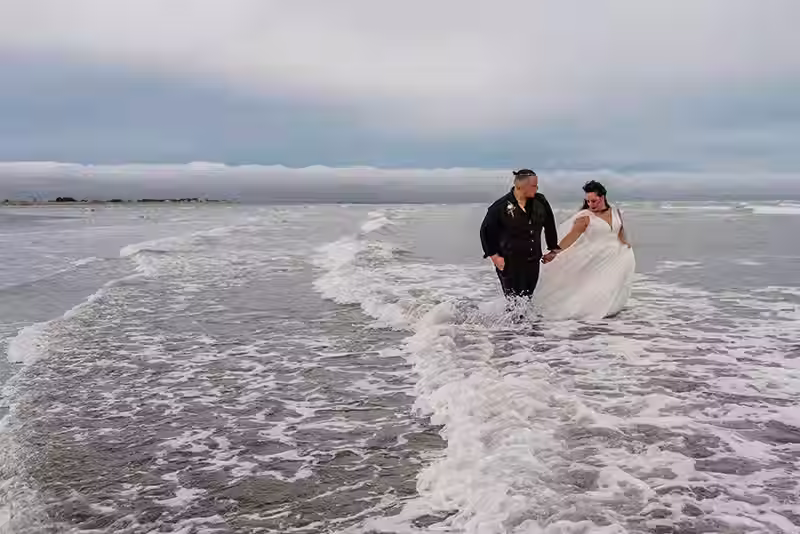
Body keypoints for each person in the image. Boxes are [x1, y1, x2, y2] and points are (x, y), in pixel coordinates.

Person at [534, 180, 635, 320]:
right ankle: (587, 312)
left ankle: (610, 309)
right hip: (595, 257)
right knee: (593, 287)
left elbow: (619, 230)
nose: (591, 205)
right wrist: (554, 253)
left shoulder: (616, 212)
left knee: (611, 285)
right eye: (588, 201)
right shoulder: (585, 217)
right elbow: (571, 237)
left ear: (603, 197)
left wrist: (624, 242)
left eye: (594, 201)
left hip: (615, 256)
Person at [479, 169, 561, 298]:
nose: (536, 188)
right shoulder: (499, 206)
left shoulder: (541, 202)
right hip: (509, 261)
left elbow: (549, 224)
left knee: (527, 299)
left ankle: (523, 319)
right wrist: (495, 257)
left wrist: (553, 249)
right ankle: (505, 318)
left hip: (533, 260)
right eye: (533, 186)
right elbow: (486, 231)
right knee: (514, 301)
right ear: (520, 186)